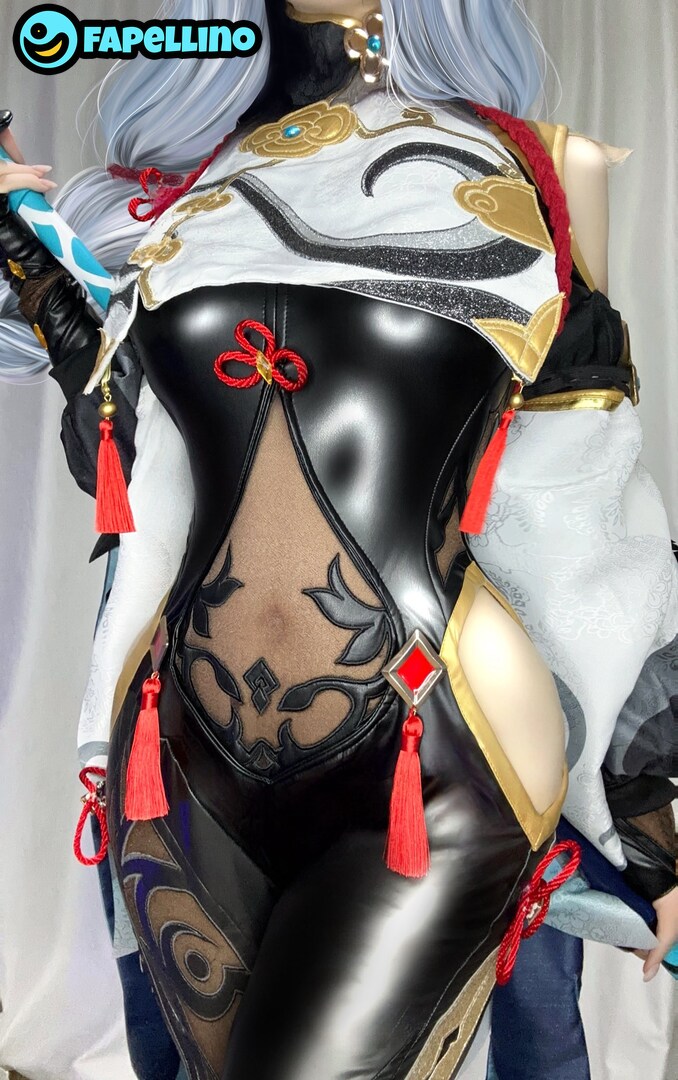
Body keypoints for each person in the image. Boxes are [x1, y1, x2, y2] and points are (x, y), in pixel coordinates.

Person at [0, 3, 675, 1078]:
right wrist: (27, 258)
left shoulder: (543, 170)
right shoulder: (186, 194)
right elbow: (120, 463)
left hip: (434, 744)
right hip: (181, 754)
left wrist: (649, 817)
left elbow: (590, 503)